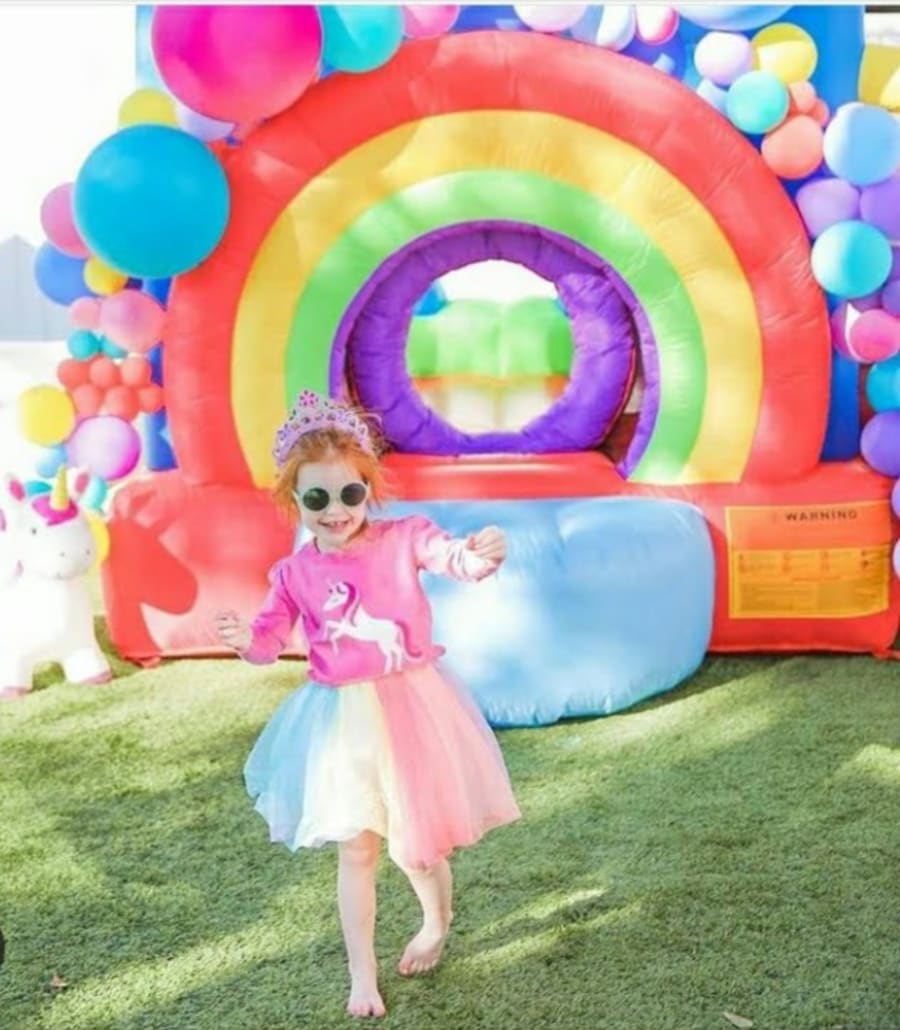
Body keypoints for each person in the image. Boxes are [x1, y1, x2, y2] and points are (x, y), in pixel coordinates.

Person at [215, 389, 520, 1019]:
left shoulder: (404, 538)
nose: (335, 512)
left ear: (368, 490)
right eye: (317, 499)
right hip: (342, 722)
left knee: (418, 847)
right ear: (294, 500)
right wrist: (247, 639)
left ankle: (436, 920)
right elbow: (269, 640)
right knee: (356, 848)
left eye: (349, 494)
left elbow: (450, 557)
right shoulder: (294, 574)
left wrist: (477, 556)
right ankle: (363, 975)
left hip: (414, 707)